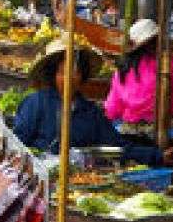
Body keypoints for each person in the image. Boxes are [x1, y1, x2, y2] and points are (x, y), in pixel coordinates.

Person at [14, 40, 160, 164]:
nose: (69, 78)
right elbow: (17, 144)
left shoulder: (90, 112)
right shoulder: (36, 103)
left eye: (75, 72)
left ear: (82, 76)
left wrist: (156, 155)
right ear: (53, 75)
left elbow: (118, 147)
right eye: (62, 73)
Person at [105, 19, 173, 136]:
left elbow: (112, 110)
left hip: (130, 130)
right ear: (157, 41)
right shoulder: (169, 63)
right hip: (166, 129)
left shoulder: (121, 71)